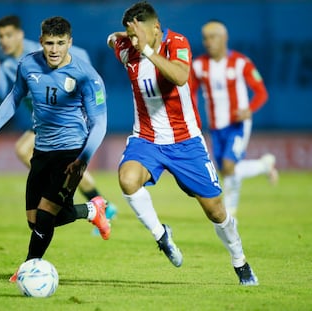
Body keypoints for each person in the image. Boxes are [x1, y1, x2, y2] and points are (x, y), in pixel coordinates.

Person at [107, 1, 258, 285]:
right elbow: (112, 39)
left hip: (186, 142)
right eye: (132, 34)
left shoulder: (176, 43)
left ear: (156, 28)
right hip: (146, 139)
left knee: (215, 210)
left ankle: (240, 261)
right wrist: (126, 35)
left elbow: (179, 76)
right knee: (127, 179)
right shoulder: (127, 48)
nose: (134, 40)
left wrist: (148, 50)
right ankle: (161, 236)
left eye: (139, 32)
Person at [0, 16, 110, 282]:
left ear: (70, 42)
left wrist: (83, 159)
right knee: (35, 220)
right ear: (41, 41)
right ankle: (93, 210)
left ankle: (28, 269)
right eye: (49, 43)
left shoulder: (86, 76)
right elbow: (13, 98)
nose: (55, 49)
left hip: (71, 152)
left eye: (61, 43)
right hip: (42, 150)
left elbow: (100, 124)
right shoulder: (28, 65)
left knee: (47, 215)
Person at [191, 20, 278, 217]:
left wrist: (249, 109)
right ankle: (263, 165)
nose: (208, 42)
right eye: (205, 38)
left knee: (230, 166)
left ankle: (230, 209)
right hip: (216, 126)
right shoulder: (199, 65)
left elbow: (261, 92)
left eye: (213, 37)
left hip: (238, 123)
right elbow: (191, 93)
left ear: (224, 38)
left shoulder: (241, 62)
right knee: (226, 170)